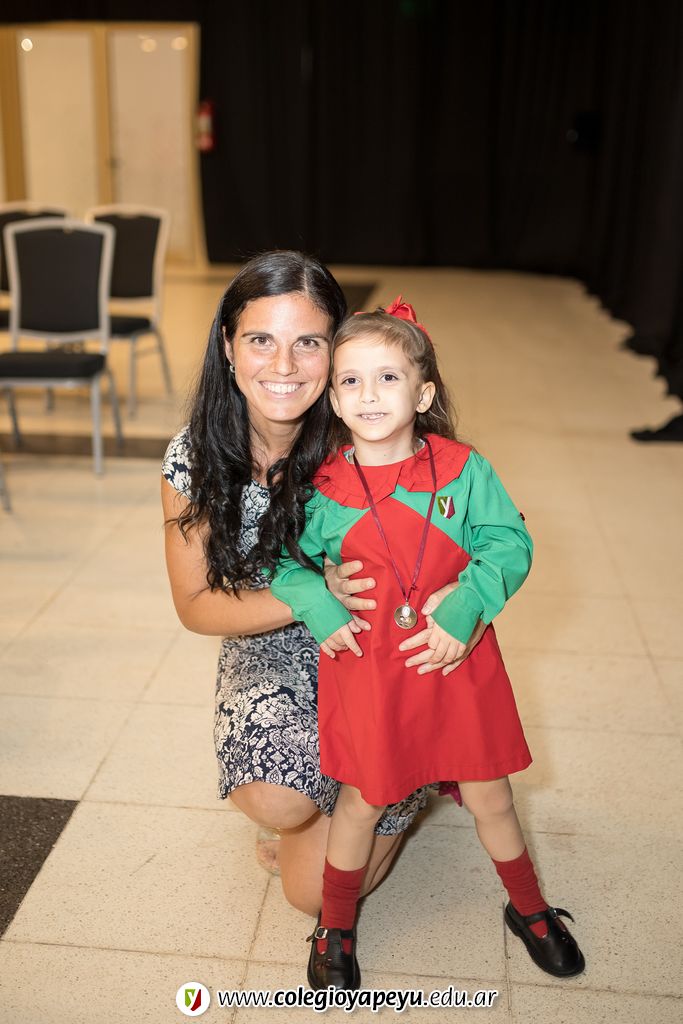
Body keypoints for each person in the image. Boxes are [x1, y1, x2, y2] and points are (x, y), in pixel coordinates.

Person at [270, 297, 585, 989]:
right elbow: (285, 565)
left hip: (457, 663)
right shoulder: (322, 488)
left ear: (423, 393)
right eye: (351, 380)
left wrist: (467, 603)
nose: (369, 394)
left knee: (491, 795)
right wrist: (319, 602)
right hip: (372, 671)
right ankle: (335, 924)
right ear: (333, 398)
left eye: (388, 377)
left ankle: (529, 908)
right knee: (362, 801)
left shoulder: (464, 470)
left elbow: (508, 542)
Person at [161, 254, 482, 918]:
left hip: (382, 647)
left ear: (336, 349)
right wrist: (310, 594)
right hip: (272, 637)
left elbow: (477, 533)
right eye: (260, 339)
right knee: (278, 801)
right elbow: (195, 607)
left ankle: (405, 782)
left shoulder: (369, 427)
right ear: (227, 345)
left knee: (312, 894)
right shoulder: (194, 456)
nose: (283, 365)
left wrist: (461, 598)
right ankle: (332, 792)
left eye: (308, 342)